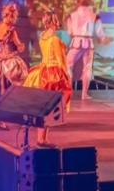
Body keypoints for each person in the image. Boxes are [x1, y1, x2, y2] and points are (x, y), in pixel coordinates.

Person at [24, 12, 71, 146]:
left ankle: (42, 138)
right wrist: (66, 74)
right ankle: (42, 139)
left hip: (43, 71)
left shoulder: (43, 37)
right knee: (50, 107)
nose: (57, 24)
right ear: (52, 22)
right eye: (56, 21)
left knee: (44, 107)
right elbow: (60, 59)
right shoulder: (54, 39)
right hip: (53, 74)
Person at [65, 0, 112, 100]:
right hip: (88, 43)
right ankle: (84, 94)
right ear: (89, 2)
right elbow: (100, 33)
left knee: (68, 65)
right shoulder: (94, 16)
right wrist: (104, 39)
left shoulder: (72, 15)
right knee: (87, 68)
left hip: (76, 42)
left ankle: (68, 91)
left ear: (78, 2)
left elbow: (70, 32)